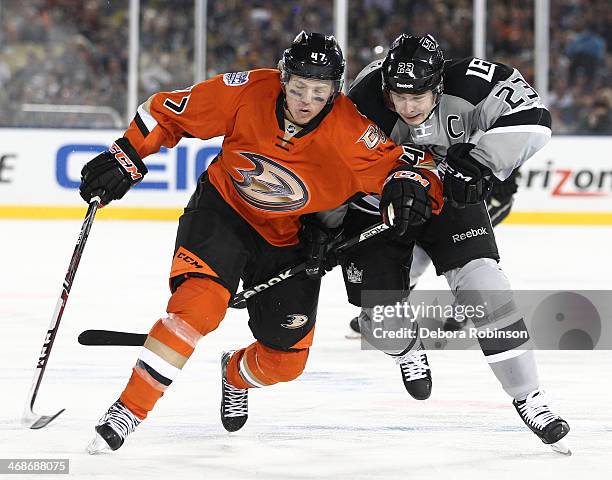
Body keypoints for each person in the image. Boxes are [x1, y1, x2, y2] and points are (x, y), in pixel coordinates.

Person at [80, 31, 443, 454]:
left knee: (285, 362)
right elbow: (168, 112)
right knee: (197, 306)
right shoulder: (246, 90)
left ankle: (234, 373)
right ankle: (128, 411)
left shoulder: (350, 132)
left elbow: (416, 168)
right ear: (283, 78)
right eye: (298, 87)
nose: (306, 100)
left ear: (335, 91)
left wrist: (409, 184)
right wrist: (127, 154)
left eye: (319, 91)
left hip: (290, 238)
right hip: (224, 213)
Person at [337, 33, 570, 452]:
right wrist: (325, 225)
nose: (407, 108)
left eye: (419, 96)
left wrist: (480, 162)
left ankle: (530, 397)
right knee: (378, 319)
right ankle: (406, 347)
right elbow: (334, 168)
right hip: (382, 203)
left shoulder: (471, 81)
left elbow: (535, 115)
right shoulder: (365, 101)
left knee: (487, 290)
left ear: (439, 84)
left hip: (449, 195)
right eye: (398, 96)